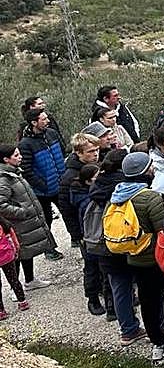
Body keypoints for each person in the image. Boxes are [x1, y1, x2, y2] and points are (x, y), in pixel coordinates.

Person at [113, 151, 164, 363]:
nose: (153, 170)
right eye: (150, 167)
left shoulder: (118, 194)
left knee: (148, 302)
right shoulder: (149, 197)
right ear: (144, 172)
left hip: (135, 258)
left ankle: (157, 344)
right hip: (158, 259)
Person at [88, 150, 143, 341]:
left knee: (119, 288)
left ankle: (128, 329)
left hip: (105, 246)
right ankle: (157, 327)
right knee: (144, 286)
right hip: (128, 243)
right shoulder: (127, 187)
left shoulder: (95, 186)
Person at [60, 133, 107, 314]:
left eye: (97, 150)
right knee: (91, 266)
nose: (96, 154)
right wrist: (76, 235)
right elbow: (66, 210)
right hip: (85, 231)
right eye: (91, 151)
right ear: (79, 153)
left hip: (101, 227)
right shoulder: (69, 177)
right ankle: (93, 299)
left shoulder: (96, 167)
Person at [0, 143, 54, 293]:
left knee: (27, 251)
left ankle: (30, 280)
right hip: (16, 224)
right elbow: (1, 204)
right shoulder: (3, 179)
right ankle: (14, 288)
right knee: (16, 255)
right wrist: (22, 212)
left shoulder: (15, 172)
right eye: (16, 155)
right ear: (6, 159)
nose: (20, 157)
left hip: (24, 224)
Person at [18, 109, 66, 261]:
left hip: (60, 184)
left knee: (68, 211)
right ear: (34, 122)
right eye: (44, 119)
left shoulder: (51, 133)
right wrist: (43, 185)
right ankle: (49, 249)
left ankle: (76, 239)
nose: (48, 121)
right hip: (42, 191)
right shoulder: (25, 144)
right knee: (46, 220)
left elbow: (62, 151)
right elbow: (26, 169)